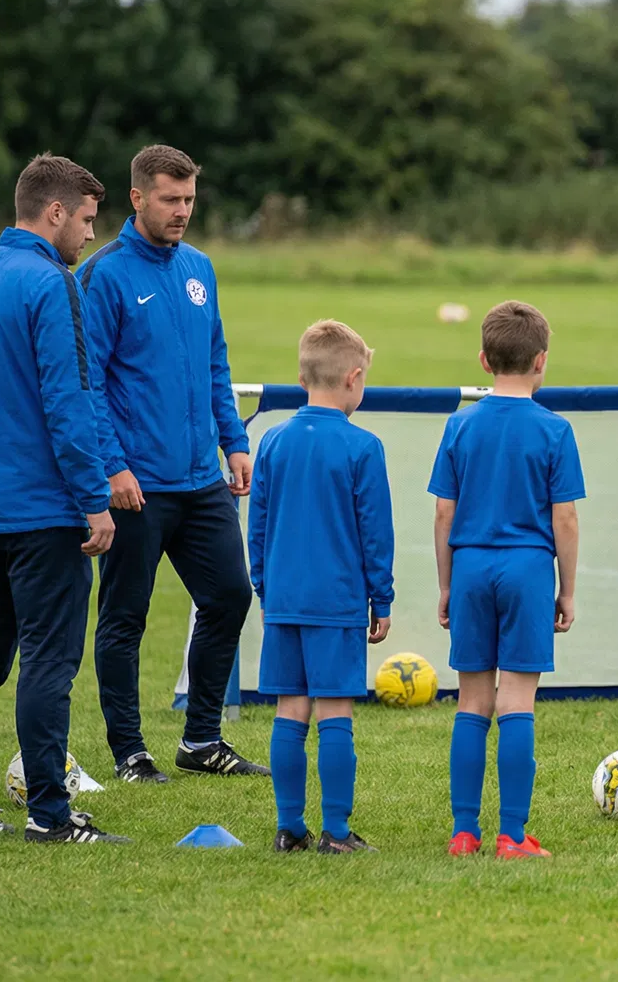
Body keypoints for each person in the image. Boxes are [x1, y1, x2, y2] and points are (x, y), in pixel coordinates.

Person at [0, 153, 125, 843]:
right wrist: (93, 497)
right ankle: (50, 814)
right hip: (45, 511)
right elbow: (67, 401)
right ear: (53, 212)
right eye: (84, 220)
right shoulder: (52, 285)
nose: (86, 235)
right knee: (49, 662)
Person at [80, 144, 261, 783]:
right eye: (170, 199)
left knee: (231, 594)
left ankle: (201, 740)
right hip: (135, 485)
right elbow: (87, 382)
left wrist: (233, 440)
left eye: (189, 199)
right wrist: (112, 466)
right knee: (125, 615)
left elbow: (216, 364)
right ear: (137, 198)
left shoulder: (200, 269)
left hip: (200, 478)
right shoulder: (102, 275)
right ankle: (129, 751)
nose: (182, 211)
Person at [431, 301, 584, 859]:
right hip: (525, 569)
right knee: (517, 699)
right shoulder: (554, 429)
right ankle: (513, 836)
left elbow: (444, 514)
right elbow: (563, 518)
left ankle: (464, 833)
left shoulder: (460, 424)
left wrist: (447, 584)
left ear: (483, 359)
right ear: (541, 361)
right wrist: (565, 589)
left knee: (472, 701)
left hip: (470, 566)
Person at [247, 320, 394, 854]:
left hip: (284, 598)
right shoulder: (363, 447)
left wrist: (265, 588)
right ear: (354, 379)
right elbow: (375, 532)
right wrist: (383, 597)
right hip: (338, 603)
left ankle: (290, 829)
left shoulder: (273, 440)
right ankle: (335, 831)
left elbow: (257, 524)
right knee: (334, 713)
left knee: (291, 710)